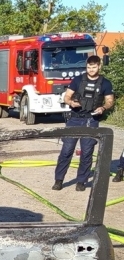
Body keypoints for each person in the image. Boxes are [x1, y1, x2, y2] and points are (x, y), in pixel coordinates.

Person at [53, 55, 115, 191]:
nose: (91, 70)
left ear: (99, 66)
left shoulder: (105, 83)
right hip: (74, 118)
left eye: (93, 67)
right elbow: (67, 96)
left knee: (87, 152)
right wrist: (71, 102)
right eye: (88, 67)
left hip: (91, 120)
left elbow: (110, 101)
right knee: (66, 151)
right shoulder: (78, 80)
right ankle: (59, 180)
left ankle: (81, 181)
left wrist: (103, 108)